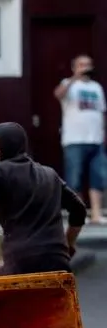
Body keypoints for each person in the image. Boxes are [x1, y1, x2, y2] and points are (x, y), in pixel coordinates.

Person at [0, 122, 87, 275]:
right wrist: (68, 244)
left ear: (8, 144)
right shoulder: (50, 174)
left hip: (19, 262)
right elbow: (79, 209)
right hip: (58, 261)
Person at [53, 54, 107, 223]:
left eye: (88, 64)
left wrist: (103, 132)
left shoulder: (96, 87)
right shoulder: (68, 84)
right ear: (74, 67)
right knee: (74, 179)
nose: (86, 67)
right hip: (74, 140)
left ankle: (97, 214)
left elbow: (101, 111)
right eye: (81, 64)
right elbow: (58, 94)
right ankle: (79, 214)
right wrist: (74, 78)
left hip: (96, 140)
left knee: (98, 177)